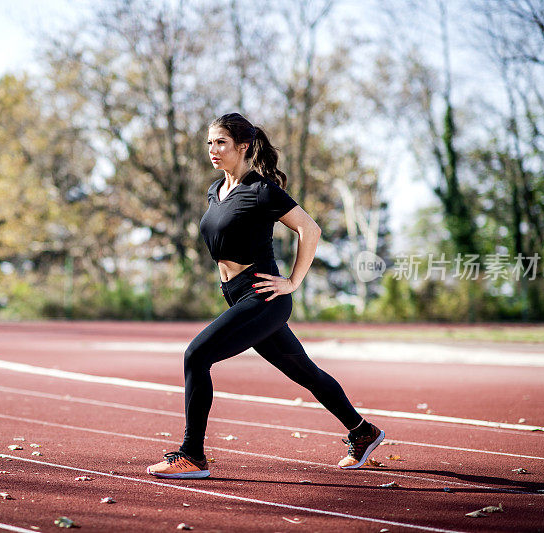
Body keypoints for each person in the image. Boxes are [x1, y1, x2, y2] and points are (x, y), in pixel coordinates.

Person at [146, 113, 384, 479]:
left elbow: (310, 229)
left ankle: (192, 454)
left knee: (196, 355)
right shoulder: (215, 190)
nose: (213, 149)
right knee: (304, 372)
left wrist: (292, 281)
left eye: (221, 142)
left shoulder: (262, 190)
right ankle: (362, 431)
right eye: (210, 142)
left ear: (243, 147)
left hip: (264, 297)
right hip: (238, 296)